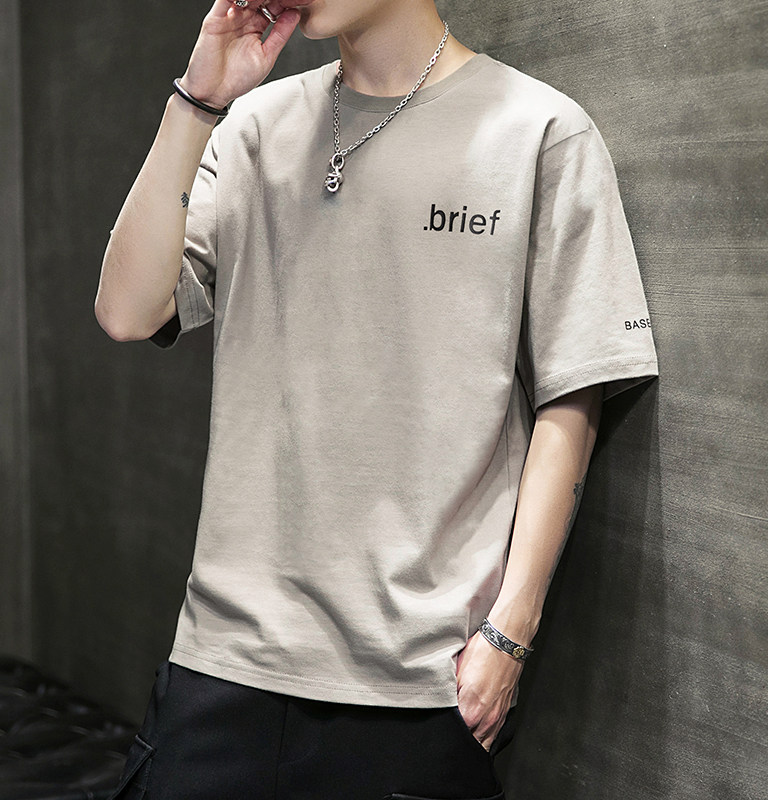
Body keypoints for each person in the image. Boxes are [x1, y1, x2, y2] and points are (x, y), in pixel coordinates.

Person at [95, 0, 658, 797]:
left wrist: (512, 630)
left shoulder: (539, 131)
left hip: (418, 688)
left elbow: (574, 398)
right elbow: (127, 311)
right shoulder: (252, 126)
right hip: (223, 667)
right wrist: (197, 100)